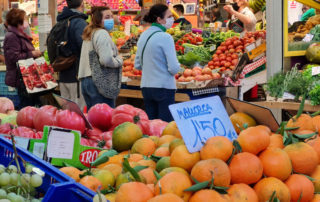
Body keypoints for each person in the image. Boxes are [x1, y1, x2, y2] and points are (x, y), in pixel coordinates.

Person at [135, 4, 180, 122]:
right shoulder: (165, 37)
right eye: (169, 16)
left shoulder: (143, 35)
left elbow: (137, 65)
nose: (172, 19)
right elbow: (174, 68)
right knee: (164, 128)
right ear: (159, 19)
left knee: (152, 126)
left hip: (146, 87)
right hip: (163, 88)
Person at [79, 6, 123, 109]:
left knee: (93, 119)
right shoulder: (102, 33)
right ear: (98, 20)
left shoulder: (90, 33)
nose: (111, 20)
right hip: (99, 82)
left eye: (112, 16)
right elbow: (106, 60)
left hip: (86, 81)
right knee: (104, 121)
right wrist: (119, 60)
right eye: (107, 17)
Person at [3, 8, 42, 108]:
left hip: (27, 77)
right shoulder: (12, 36)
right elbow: (14, 57)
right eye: (24, 18)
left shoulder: (19, 34)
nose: (26, 21)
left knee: (31, 105)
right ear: (18, 21)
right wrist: (32, 53)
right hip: (21, 78)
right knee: (27, 106)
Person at [56, 0, 87, 110]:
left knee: (66, 113)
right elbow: (85, 47)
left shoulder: (61, 21)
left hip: (63, 74)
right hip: (76, 76)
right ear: (82, 4)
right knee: (78, 114)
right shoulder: (79, 23)